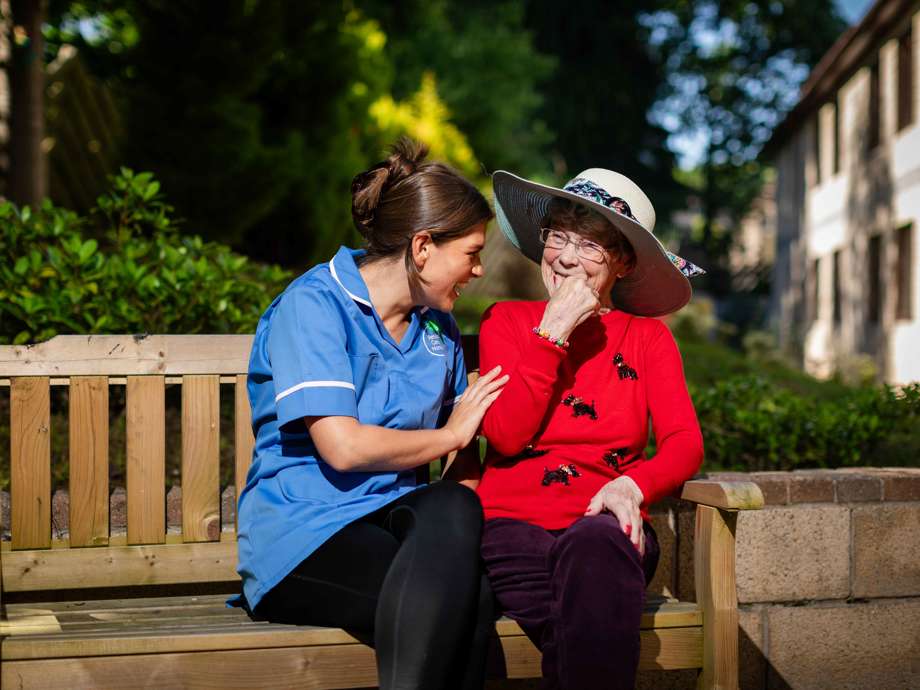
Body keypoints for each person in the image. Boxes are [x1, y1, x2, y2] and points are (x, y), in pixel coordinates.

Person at [233, 139, 508, 690]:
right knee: (467, 604)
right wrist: (452, 434)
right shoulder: (314, 305)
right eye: (472, 253)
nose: (478, 270)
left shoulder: (440, 330)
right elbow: (345, 447)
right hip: (304, 539)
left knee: (454, 510)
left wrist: (465, 455)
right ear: (424, 246)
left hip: (397, 527)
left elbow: (463, 466)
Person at [474, 168, 706, 690]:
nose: (567, 257)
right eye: (558, 236)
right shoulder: (507, 322)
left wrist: (634, 484)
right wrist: (551, 333)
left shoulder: (647, 339)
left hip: (608, 529)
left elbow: (685, 442)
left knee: (596, 550)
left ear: (623, 263)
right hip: (513, 529)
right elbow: (508, 436)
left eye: (591, 245)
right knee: (588, 623)